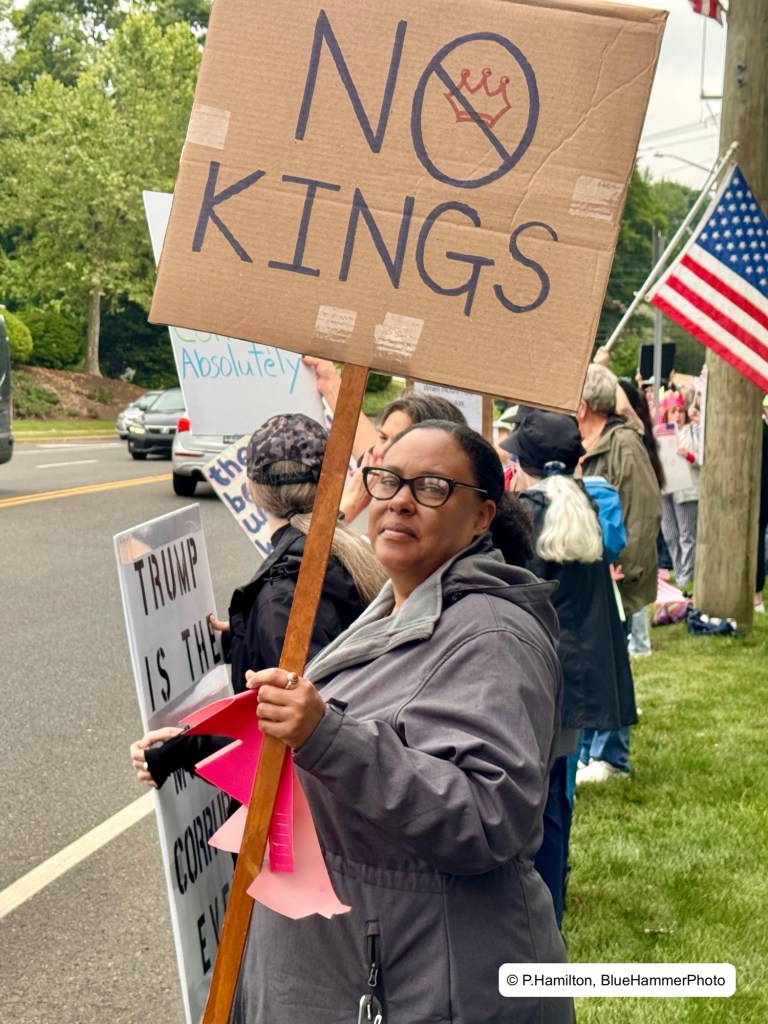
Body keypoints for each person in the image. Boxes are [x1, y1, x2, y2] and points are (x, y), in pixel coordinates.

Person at [232, 420, 573, 1024]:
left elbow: (488, 818)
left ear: (482, 516)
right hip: (364, 956)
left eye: (433, 487)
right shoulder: (397, 602)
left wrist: (326, 736)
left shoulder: (492, 636)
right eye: (387, 479)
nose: (400, 500)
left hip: (424, 981)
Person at [130, 413, 387, 787]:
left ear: (251, 491)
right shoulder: (353, 559)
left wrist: (182, 749)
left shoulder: (281, 597)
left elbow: (298, 733)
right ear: (331, 484)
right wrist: (243, 635)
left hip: (315, 810)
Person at [503, 410, 636, 925]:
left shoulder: (524, 512)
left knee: (536, 797)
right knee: (558, 792)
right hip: (577, 675)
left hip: (537, 673)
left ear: (525, 462)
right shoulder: (588, 503)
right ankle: (553, 896)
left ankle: (540, 905)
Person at [576, 364, 661, 782]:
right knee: (590, 663)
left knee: (610, 664)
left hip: (615, 576)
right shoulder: (591, 443)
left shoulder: (623, 444)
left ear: (583, 405)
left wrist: (624, 566)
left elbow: (643, 511)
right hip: (590, 577)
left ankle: (611, 756)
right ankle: (589, 751)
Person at [618, 377, 666, 654]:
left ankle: (640, 642)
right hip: (632, 518)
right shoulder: (637, 433)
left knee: (634, 583)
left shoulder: (630, 439)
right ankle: (639, 640)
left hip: (635, 521)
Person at [660, 395, 700, 595]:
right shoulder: (659, 433)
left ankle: (686, 576)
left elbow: (703, 459)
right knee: (670, 534)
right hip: (665, 489)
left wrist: (689, 456)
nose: (678, 415)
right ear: (666, 414)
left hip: (686, 489)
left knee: (686, 535)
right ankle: (679, 571)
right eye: (673, 411)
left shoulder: (692, 431)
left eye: (681, 411)